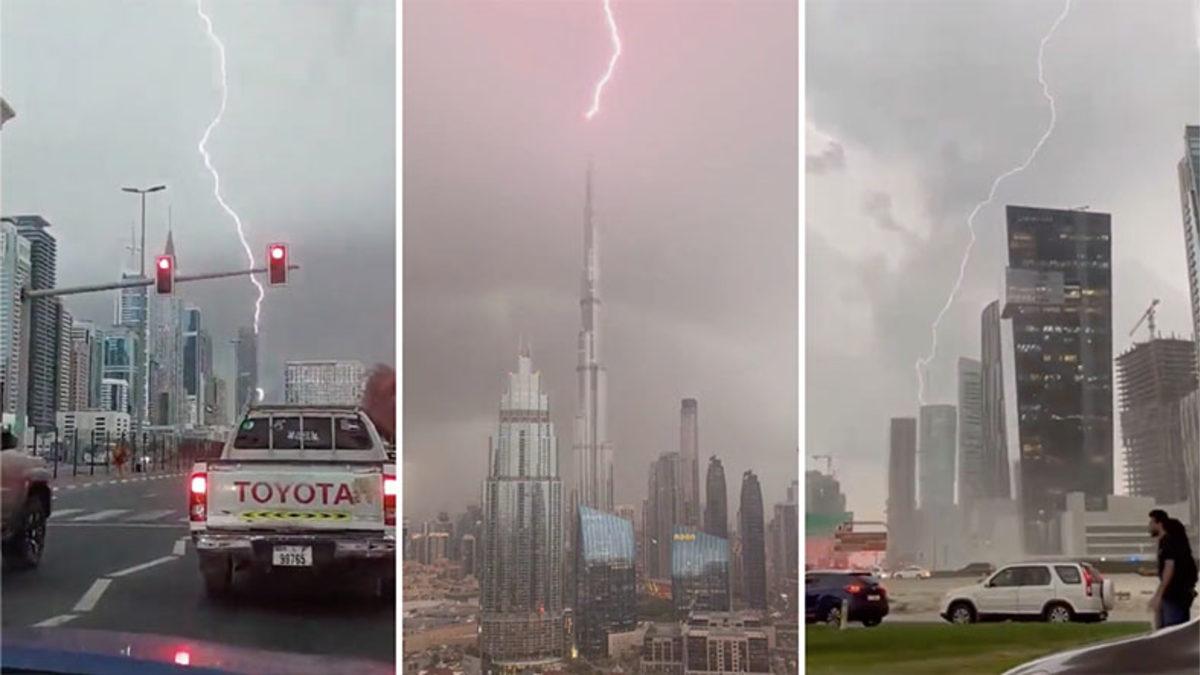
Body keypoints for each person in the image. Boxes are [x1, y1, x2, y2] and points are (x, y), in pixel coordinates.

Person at [1148, 509, 1198, 629]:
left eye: (1151, 522)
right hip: (1178, 594)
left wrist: (1158, 594)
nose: (1149, 526)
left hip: (1174, 595)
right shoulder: (1170, 543)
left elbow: (1169, 568)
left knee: (1171, 630)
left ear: (1159, 524)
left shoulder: (1168, 542)